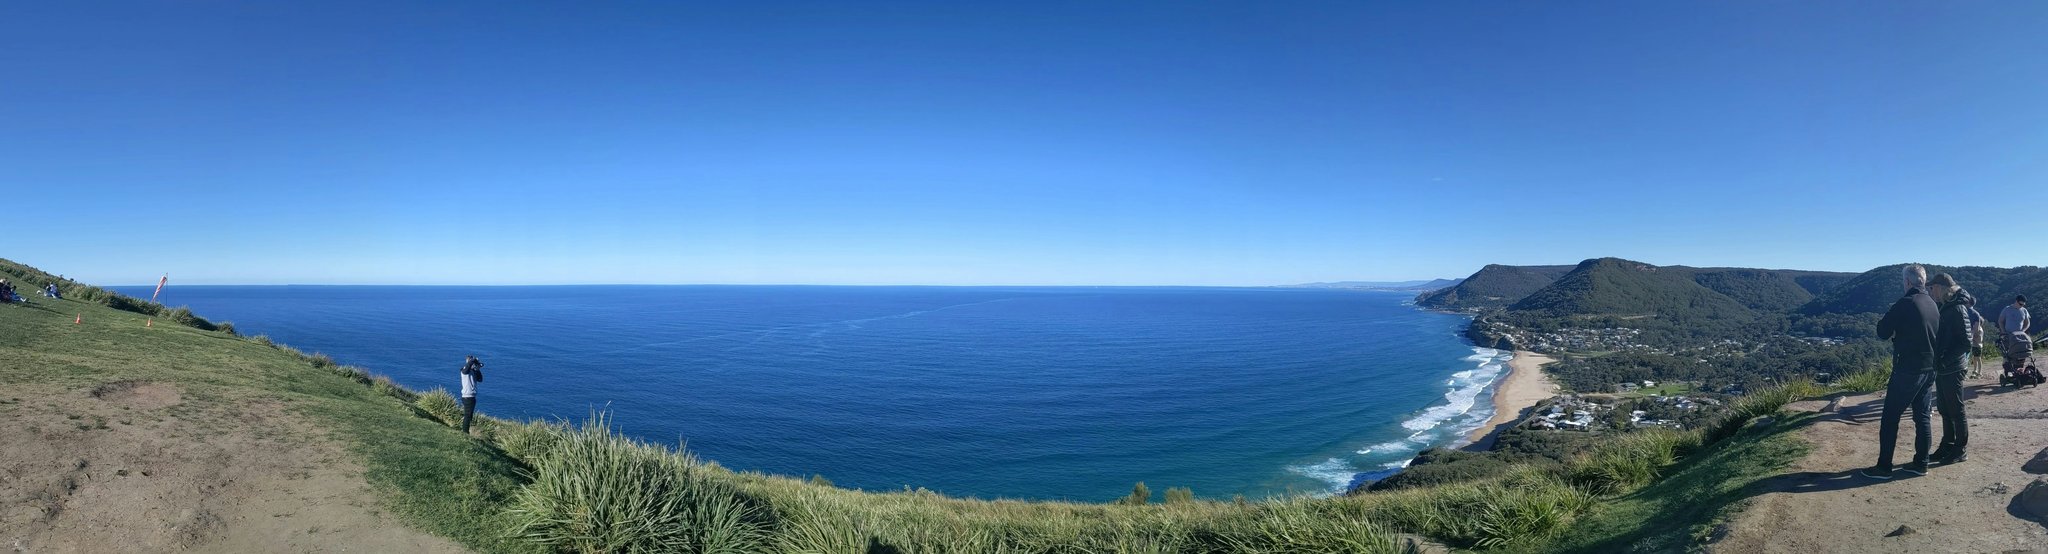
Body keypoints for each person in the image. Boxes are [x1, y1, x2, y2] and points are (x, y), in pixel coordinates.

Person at [1865, 265, 1939, 479]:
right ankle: (1921, 463)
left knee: (1890, 417)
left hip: (1907, 368)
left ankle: (1884, 467)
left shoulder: (1905, 303)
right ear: (1923, 281)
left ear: (1907, 282)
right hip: (1929, 367)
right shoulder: (1932, 304)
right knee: (1922, 417)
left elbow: (1882, 331)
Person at [1927, 274, 1973, 465]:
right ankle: (1948, 444)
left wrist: (1944, 361)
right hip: (1944, 366)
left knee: (1956, 409)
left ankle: (1960, 449)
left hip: (1952, 367)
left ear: (1942, 288)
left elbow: (1966, 342)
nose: (1931, 291)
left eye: (1933, 288)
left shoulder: (1957, 308)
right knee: (1945, 408)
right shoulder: (1946, 306)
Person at [459, 355, 484, 434]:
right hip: (467, 397)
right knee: (467, 415)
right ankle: (465, 432)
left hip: (472, 397)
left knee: (469, 416)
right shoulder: (464, 370)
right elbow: (466, 369)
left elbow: (480, 379)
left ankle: (465, 431)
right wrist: (473, 361)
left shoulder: (473, 371)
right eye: (471, 362)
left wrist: (477, 369)